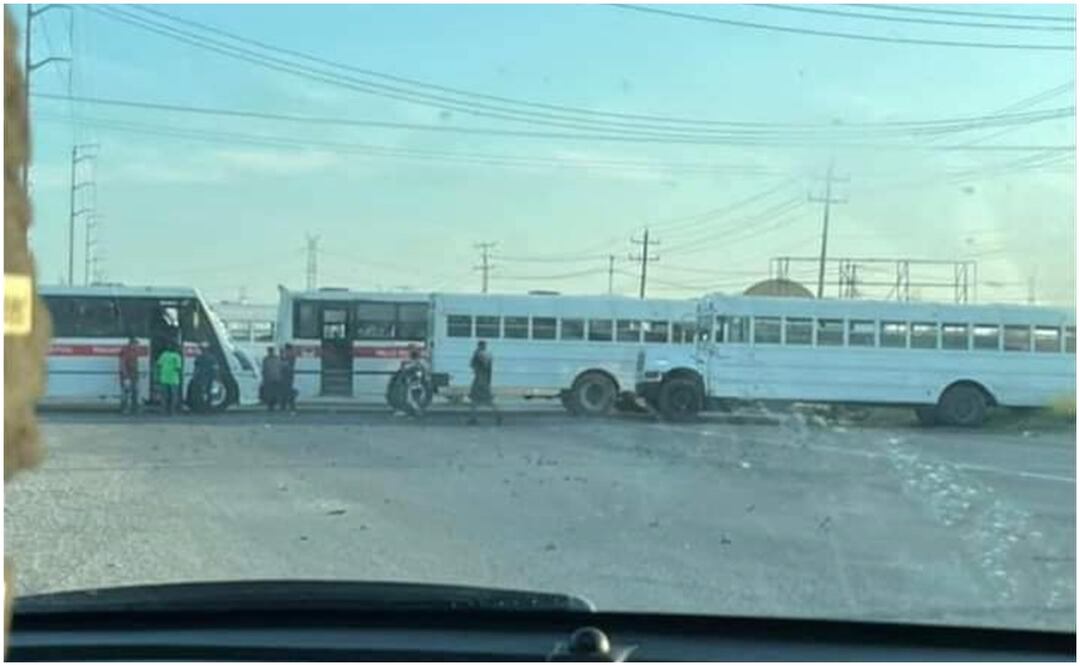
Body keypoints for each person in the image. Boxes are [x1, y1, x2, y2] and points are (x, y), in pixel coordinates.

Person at [468, 340, 501, 426]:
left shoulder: (478, 354)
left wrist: (475, 356)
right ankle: (474, 418)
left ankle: (497, 415)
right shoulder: (488, 355)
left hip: (479, 381)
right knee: (483, 400)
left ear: (479, 346)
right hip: (484, 380)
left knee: (477, 400)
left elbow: (472, 365)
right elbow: (488, 369)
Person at [155, 344, 183, 416]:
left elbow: (159, 365)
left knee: (164, 396)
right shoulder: (177, 356)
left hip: (164, 378)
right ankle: (172, 411)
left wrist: (158, 375)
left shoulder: (164, 355)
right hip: (174, 379)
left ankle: (163, 410)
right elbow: (178, 368)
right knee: (174, 396)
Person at [189, 343, 218, 411]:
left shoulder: (199, 357)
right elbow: (215, 368)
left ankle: (201, 406)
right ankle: (208, 406)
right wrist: (216, 376)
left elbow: (196, 368)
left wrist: (194, 376)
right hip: (209, 376)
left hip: (201, 377)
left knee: (202, 392)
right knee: (208, 392)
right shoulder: (212, 357)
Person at [118, 336, 140, 415]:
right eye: (136, 344)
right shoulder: (126, 352)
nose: (137, 346)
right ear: (131, 344)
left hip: (134, 375)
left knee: (135, 392)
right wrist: (125, 376)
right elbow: (122, 364)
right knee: (126, 393)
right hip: (127, 376)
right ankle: (124, 409)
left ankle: (134, 409)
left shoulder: (134, 351)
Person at [260, 346, 283, 412]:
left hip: (272, 378)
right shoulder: (275, 359)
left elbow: (264, 369)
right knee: (271, 393)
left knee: (273, 393)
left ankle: (272, 405)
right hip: (273, 378)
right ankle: (271, 405)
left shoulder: (267, 359)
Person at [280, 343, 298, 413]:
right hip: (289, 375)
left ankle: (286, 405)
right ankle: (288, 405)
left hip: (287, 375)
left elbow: (285, 364)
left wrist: (282, 356)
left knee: (286, 391)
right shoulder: (291, 355)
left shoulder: (290, 356)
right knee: (286, 391)